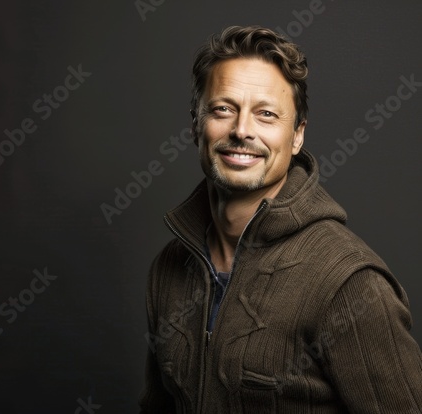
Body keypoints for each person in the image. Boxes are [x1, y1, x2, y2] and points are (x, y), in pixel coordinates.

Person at [139, 25, 422, 413]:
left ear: (297, 136)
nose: (241, 130)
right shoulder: (169, 268)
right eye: (223, 109)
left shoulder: (349, 284)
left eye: (266, 115)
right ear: (196, 124)